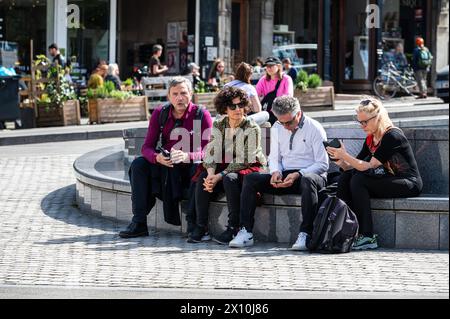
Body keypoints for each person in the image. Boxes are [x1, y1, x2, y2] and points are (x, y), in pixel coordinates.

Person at [229, 96, 329, 249]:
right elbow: (274, 157)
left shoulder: (314, 128)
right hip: (286, 175)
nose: (286, 126)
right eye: (282, 122)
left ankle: (306, 233)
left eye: (289, 122)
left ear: (299, 113)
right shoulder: (277, 127)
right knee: (251, 179)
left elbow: (323, 164)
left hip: (311, 177)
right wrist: (276, 172)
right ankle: (246, 232)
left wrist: (299, 174)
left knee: (307, 180)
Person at [119, 77, 213, 239]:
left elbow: (210, 151)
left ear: (191, 94)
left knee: (199, 167)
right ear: (169, 96)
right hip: (166, 165)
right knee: (139, 164)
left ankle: (194, 224)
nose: (180, 97)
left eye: (183, 93)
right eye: (175, 94)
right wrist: (157, 158)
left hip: (190, 167)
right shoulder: (160, 113)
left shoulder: (201, 114)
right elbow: (146, 147)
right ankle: (139, 222)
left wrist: (188, 156)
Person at [326, 98, 423, 250]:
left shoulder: (392, 136)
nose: (362, 126)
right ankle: (344, 229)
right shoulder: (371, 139)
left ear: (378, 117)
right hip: (387, 179)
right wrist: (340, 161)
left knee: (359, 180)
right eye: (360, 122)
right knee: (346, 177)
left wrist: (345, 155)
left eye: (365, 122)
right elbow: (355, 165)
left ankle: (368, 236)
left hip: (407, 182)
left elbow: (368, 166)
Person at [188, 86, 267, 244]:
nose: (238, 109)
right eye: (233, 106)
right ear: (225, 108)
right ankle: (201, 226)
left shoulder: (252, 127)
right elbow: (211, 152)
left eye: (240, 105)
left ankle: (233, 228)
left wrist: (219, 175)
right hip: (226, 164)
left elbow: (246, 159)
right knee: (203, 176)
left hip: (248, 166)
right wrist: (211, 174)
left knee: (229, 178)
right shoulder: (219, 124)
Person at [256, 56, 294, 125]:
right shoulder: (263, 80)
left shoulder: (286, 79)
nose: (269, 68)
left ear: (279, 66)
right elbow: (256, 94)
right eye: (267, 66)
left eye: (271, 65)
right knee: (266, 135)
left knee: (278, 135)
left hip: (282, 114)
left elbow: (289, 97)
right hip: (267, 114)